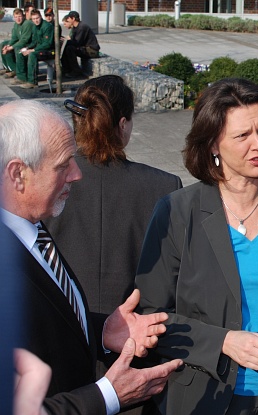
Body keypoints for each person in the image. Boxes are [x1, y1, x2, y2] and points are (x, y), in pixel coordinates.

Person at [135, 77, 258, 415]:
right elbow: (150, 316)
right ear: (212, 144)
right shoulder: (177, 211)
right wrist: (225, 342)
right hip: (204, 394)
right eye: (242, 135)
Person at [0, 100, 183, 415]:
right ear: (18, 174)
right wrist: (109, 395)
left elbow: (49, 326)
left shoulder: (33, 229)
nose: (76, 175)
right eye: (63, 164)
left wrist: (99, 331)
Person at [16, 8, 54, 89]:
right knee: (20, 51)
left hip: (49, 51)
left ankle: (32, 81)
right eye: (33, 19)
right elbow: (34, 41)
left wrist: (32, 50)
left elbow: (47, 44)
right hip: (39, 49)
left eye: (37, 18)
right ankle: (22, 77)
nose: (36, 20)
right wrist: (26, 48)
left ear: (40, 17)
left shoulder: (47, 26)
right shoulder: (35, 27)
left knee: (32, 54)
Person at [61, 11, 100, 78]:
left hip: (91, 50)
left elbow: (77, 42)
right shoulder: (75, 28)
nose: (67, 20)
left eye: (69, 18)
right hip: (84, 48)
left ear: (73, 19)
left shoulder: (82, 27)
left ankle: (76, 71)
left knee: (70, 49)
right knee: (65, 48)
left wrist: (66, 41)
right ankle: (67, 70)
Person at [1, 8, 34, 78]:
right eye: (16, 17)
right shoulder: (16, 24)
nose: (18, 19)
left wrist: (11, 47)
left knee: (17, 48)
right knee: (3, 44)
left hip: (29, 44)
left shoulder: (27, 24)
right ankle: (9, 68)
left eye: (19, 16)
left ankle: (17, 71)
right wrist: (8, 45)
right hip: (21, 42)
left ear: (23, 16)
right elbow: (14, 38)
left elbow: (24, 40)